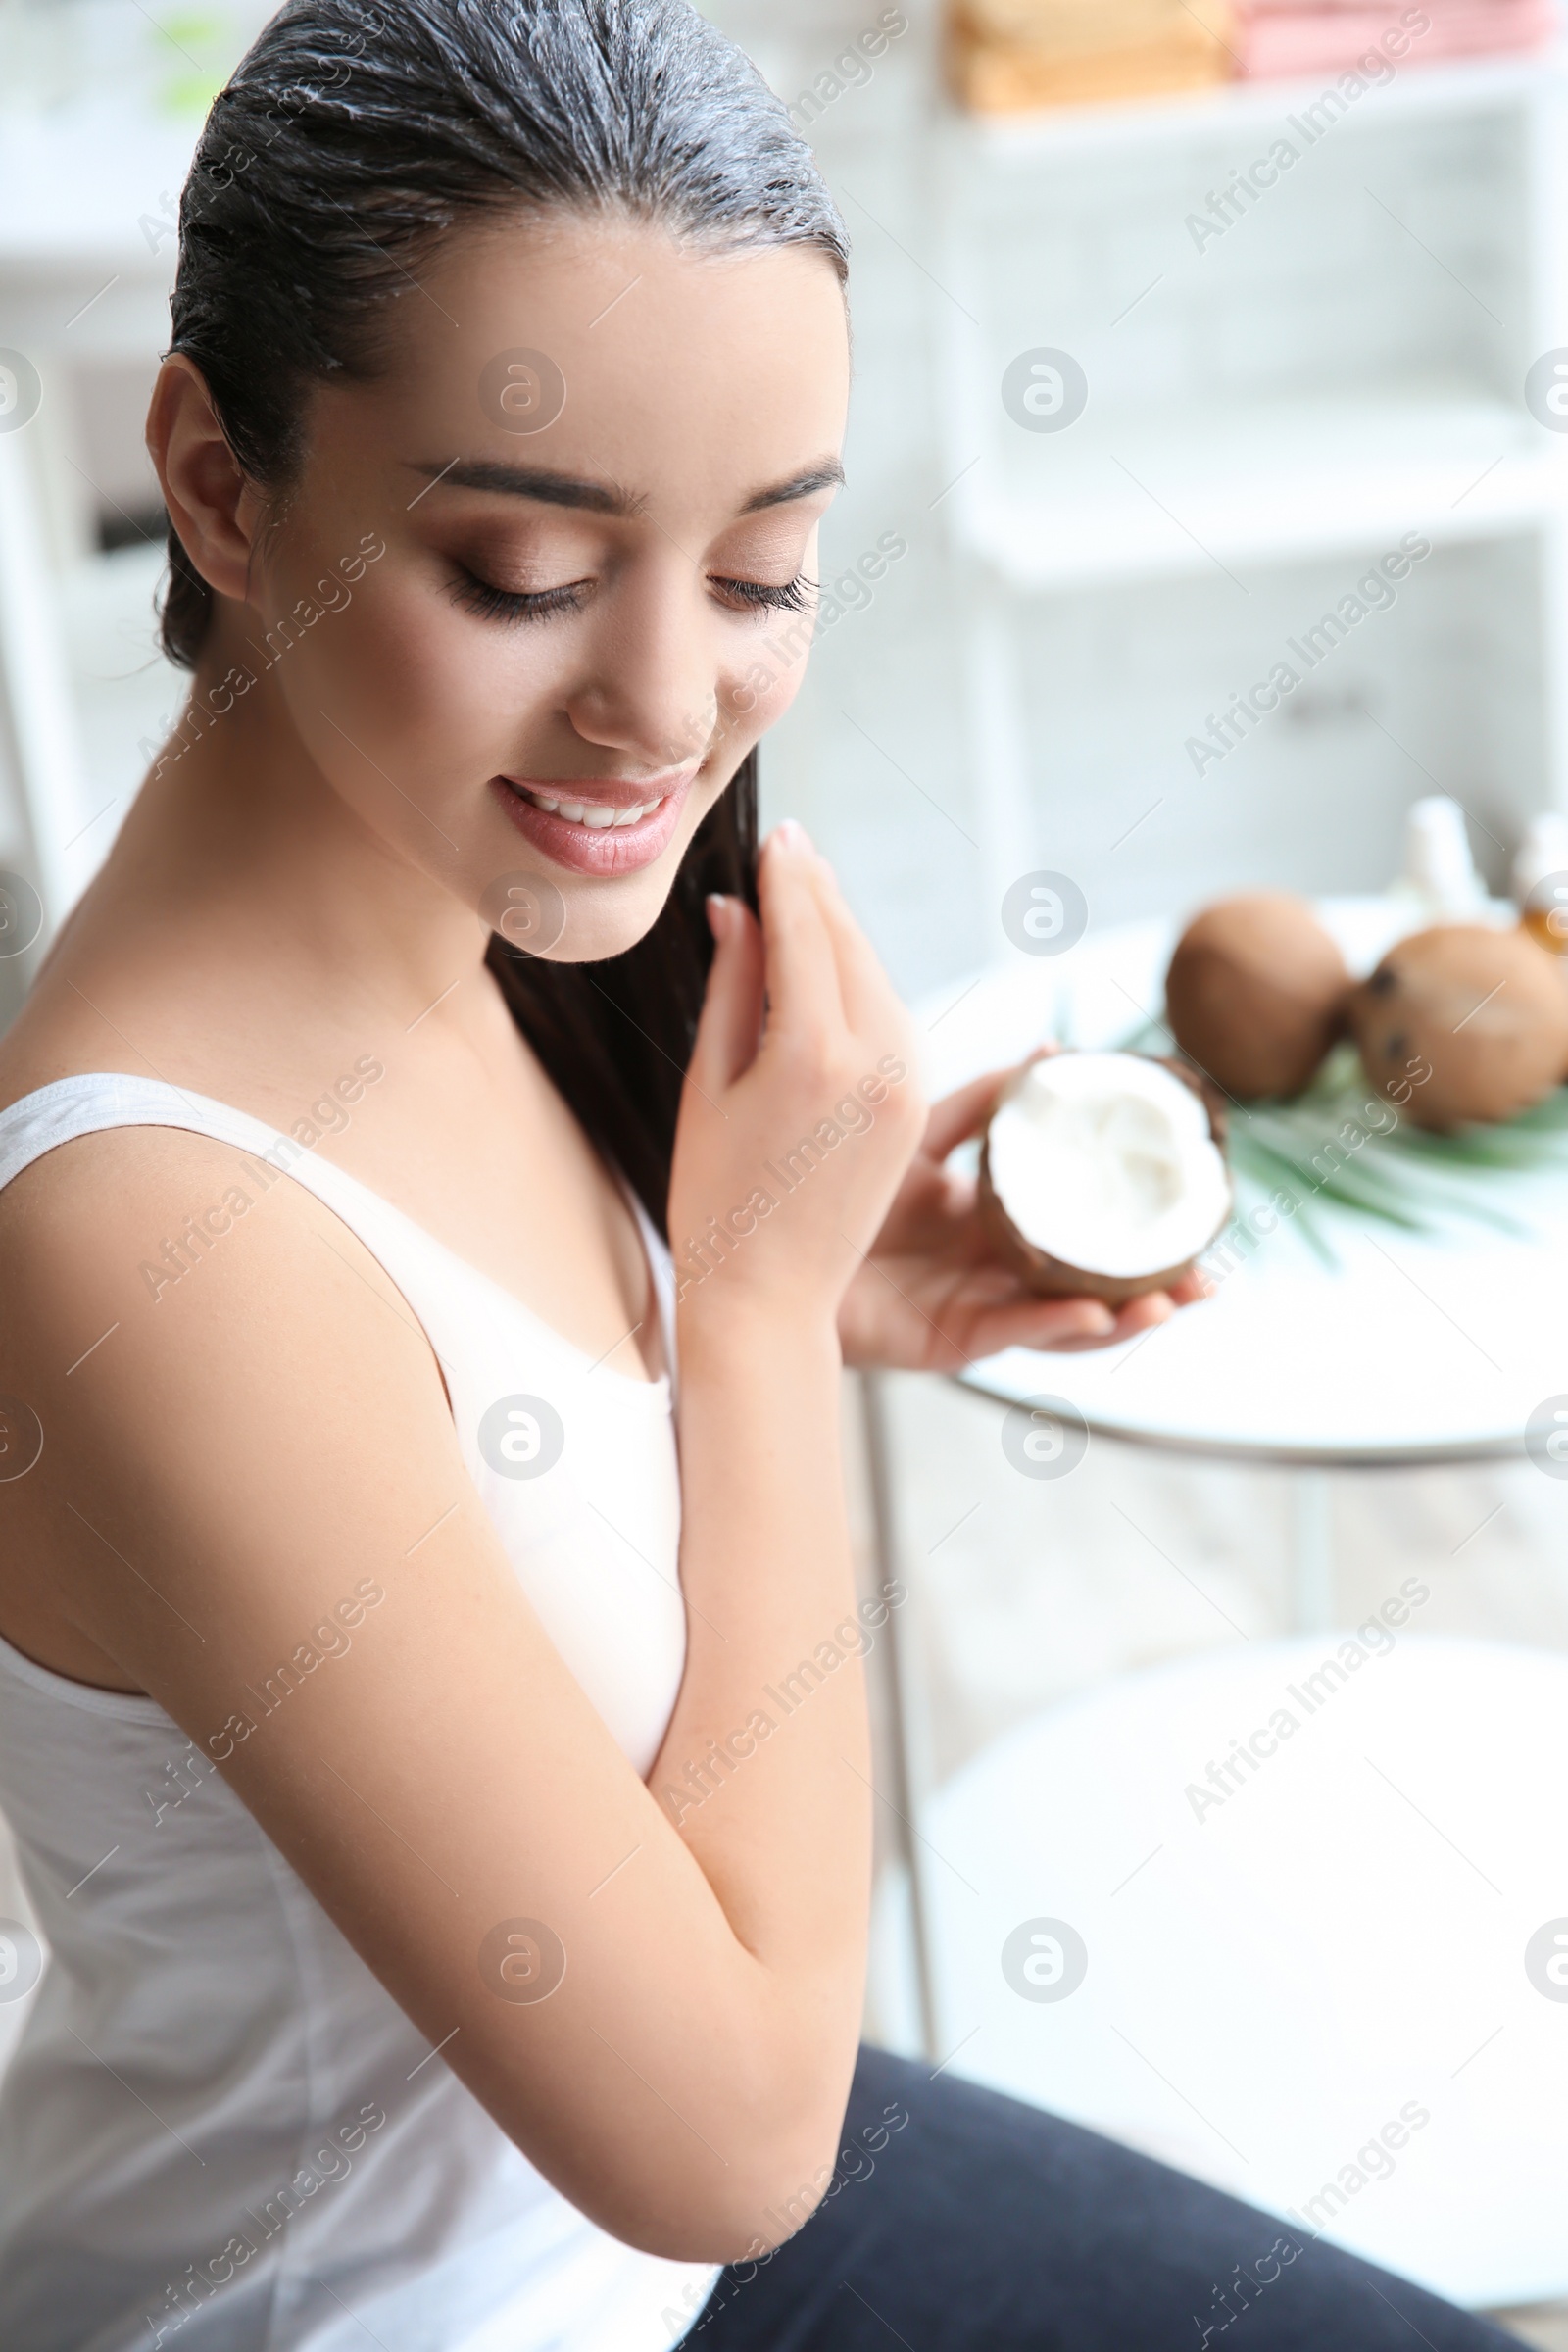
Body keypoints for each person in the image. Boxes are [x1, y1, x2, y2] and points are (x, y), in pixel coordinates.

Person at [0, 3, 1518, 2346]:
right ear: (214, 474)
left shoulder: (478, 908)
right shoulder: (145, 1241)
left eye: (762, 569)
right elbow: (728, 2148)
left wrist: (786, 1304)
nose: (663, 707)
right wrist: (745, 1321)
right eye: (520, 570)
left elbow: (473, 1461)